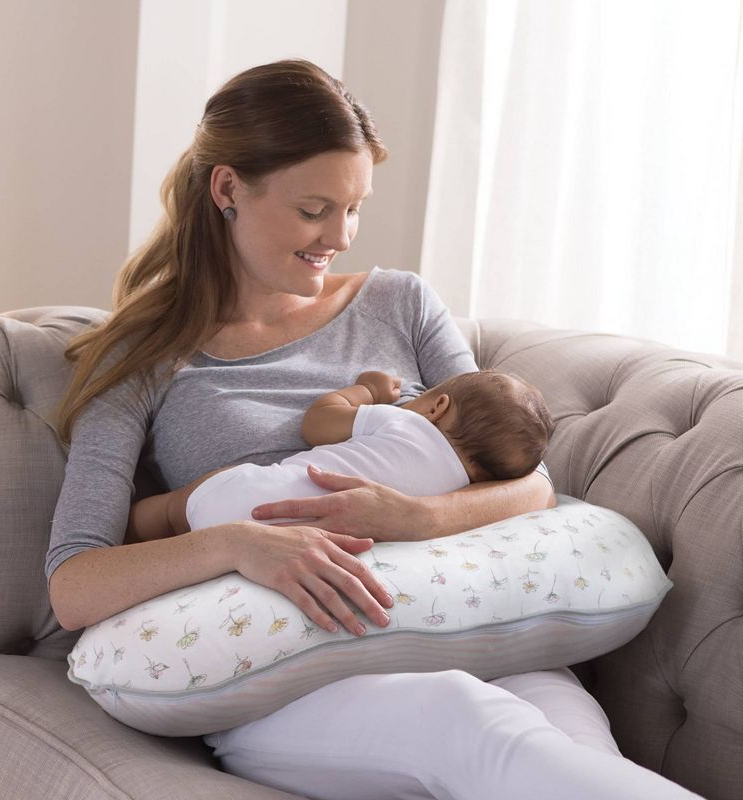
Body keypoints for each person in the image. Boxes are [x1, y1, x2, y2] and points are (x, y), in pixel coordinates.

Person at [46, 59, 704, 799]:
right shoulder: (148, 355)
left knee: (576, 743)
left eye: (354, 208)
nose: (341, 236)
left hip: (463, 620)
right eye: (315, 209)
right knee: (473, 727)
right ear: (228, 189)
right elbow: (74, 584)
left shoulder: (402, 303)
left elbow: (530, 486)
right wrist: (236, 543)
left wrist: (416, 516)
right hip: (291, 673)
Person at [124, 368, 554, 542]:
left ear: (436, 406)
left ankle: (123, 535)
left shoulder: (405, 422)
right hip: (310, 540)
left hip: (259, 496)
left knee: (170, 511)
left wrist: (367, 391)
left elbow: (318, 422)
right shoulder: (461, 491)